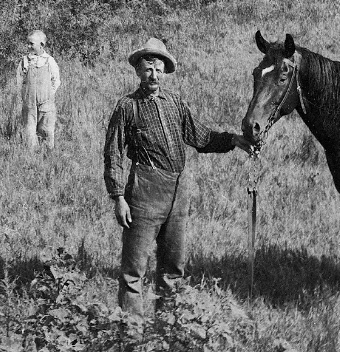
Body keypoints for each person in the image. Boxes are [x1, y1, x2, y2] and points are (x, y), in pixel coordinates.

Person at [103, 37, 251, 315]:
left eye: (158, 69)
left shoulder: (175, 103)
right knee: (134, 271)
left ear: (165, 71)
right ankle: (131, 336)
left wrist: (233, 140)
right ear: (137, 71)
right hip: (144, 193)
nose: (153, 75)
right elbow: (112, 153)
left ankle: (169, 331)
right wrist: (118, 197)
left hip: (178, 193)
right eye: (148, 69)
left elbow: (200, 137)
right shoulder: (127, 106)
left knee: (173, 268)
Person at [16, 30, 60, 150]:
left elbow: (56, 80)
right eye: (28, 43)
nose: (28, 46)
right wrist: (23, 95)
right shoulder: (25, 60)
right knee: (29, 129)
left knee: (46, 128)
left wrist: (49, 94)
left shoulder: (49, 60)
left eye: (31, 44)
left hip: (46, 102)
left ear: (42, 45)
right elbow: (20, 79)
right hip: (29, 102)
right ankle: (32, 155)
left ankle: (47, 154)